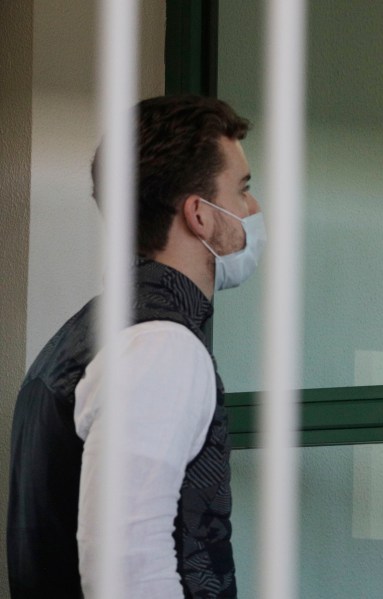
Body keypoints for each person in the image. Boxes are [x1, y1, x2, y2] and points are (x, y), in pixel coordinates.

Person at [7, 95, 265, 597]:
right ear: (200, 215)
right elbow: (127, 568)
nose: (253, 209)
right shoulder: (161, 346)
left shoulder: (87, 334)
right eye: (243, 190)